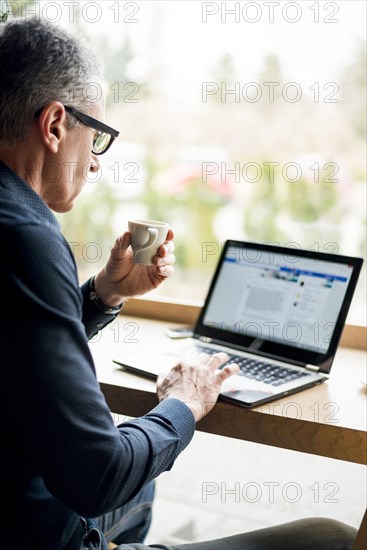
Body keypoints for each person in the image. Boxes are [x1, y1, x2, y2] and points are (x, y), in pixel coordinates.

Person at [0, 17, 357, 550]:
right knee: (330, 536)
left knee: (142, 491)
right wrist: (184, 404)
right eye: (96, 136)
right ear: (54, 125)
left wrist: (103, 294)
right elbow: (98, 477)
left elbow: (17, 338)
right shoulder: (28, 234)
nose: (96, 163)